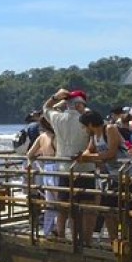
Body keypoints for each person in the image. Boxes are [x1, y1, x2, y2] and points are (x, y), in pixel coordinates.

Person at [42, 88, 92, 239]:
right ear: (80, 105)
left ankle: (62, 236)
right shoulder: (86, 119)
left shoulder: (58, 118)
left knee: (63, 206)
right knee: (85, 206)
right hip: (85, 167)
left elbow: (45, 108)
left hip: (63, 168)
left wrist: (55, 97)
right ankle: (84, 239)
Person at [76, 109, 123, 243]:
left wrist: (88, 157)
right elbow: (89, 150)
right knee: (108, 210)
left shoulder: (110, 129)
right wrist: (83, 155)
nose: (84, 129)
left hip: (124, 174)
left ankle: (124, 241)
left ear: (90, 124)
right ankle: (114, 240)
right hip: (110, 177)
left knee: (121, 211)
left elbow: (111, 153)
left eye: (84, 126)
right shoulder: (94, 136)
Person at [26, 116, 59, 237]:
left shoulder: (42, 137)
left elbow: (29, 154)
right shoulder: (55, 137)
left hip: (46, 168)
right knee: (60, 200)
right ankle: (59, 229)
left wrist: (32, 164)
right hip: (56, 167)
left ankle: (47, 230)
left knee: (50, 202)